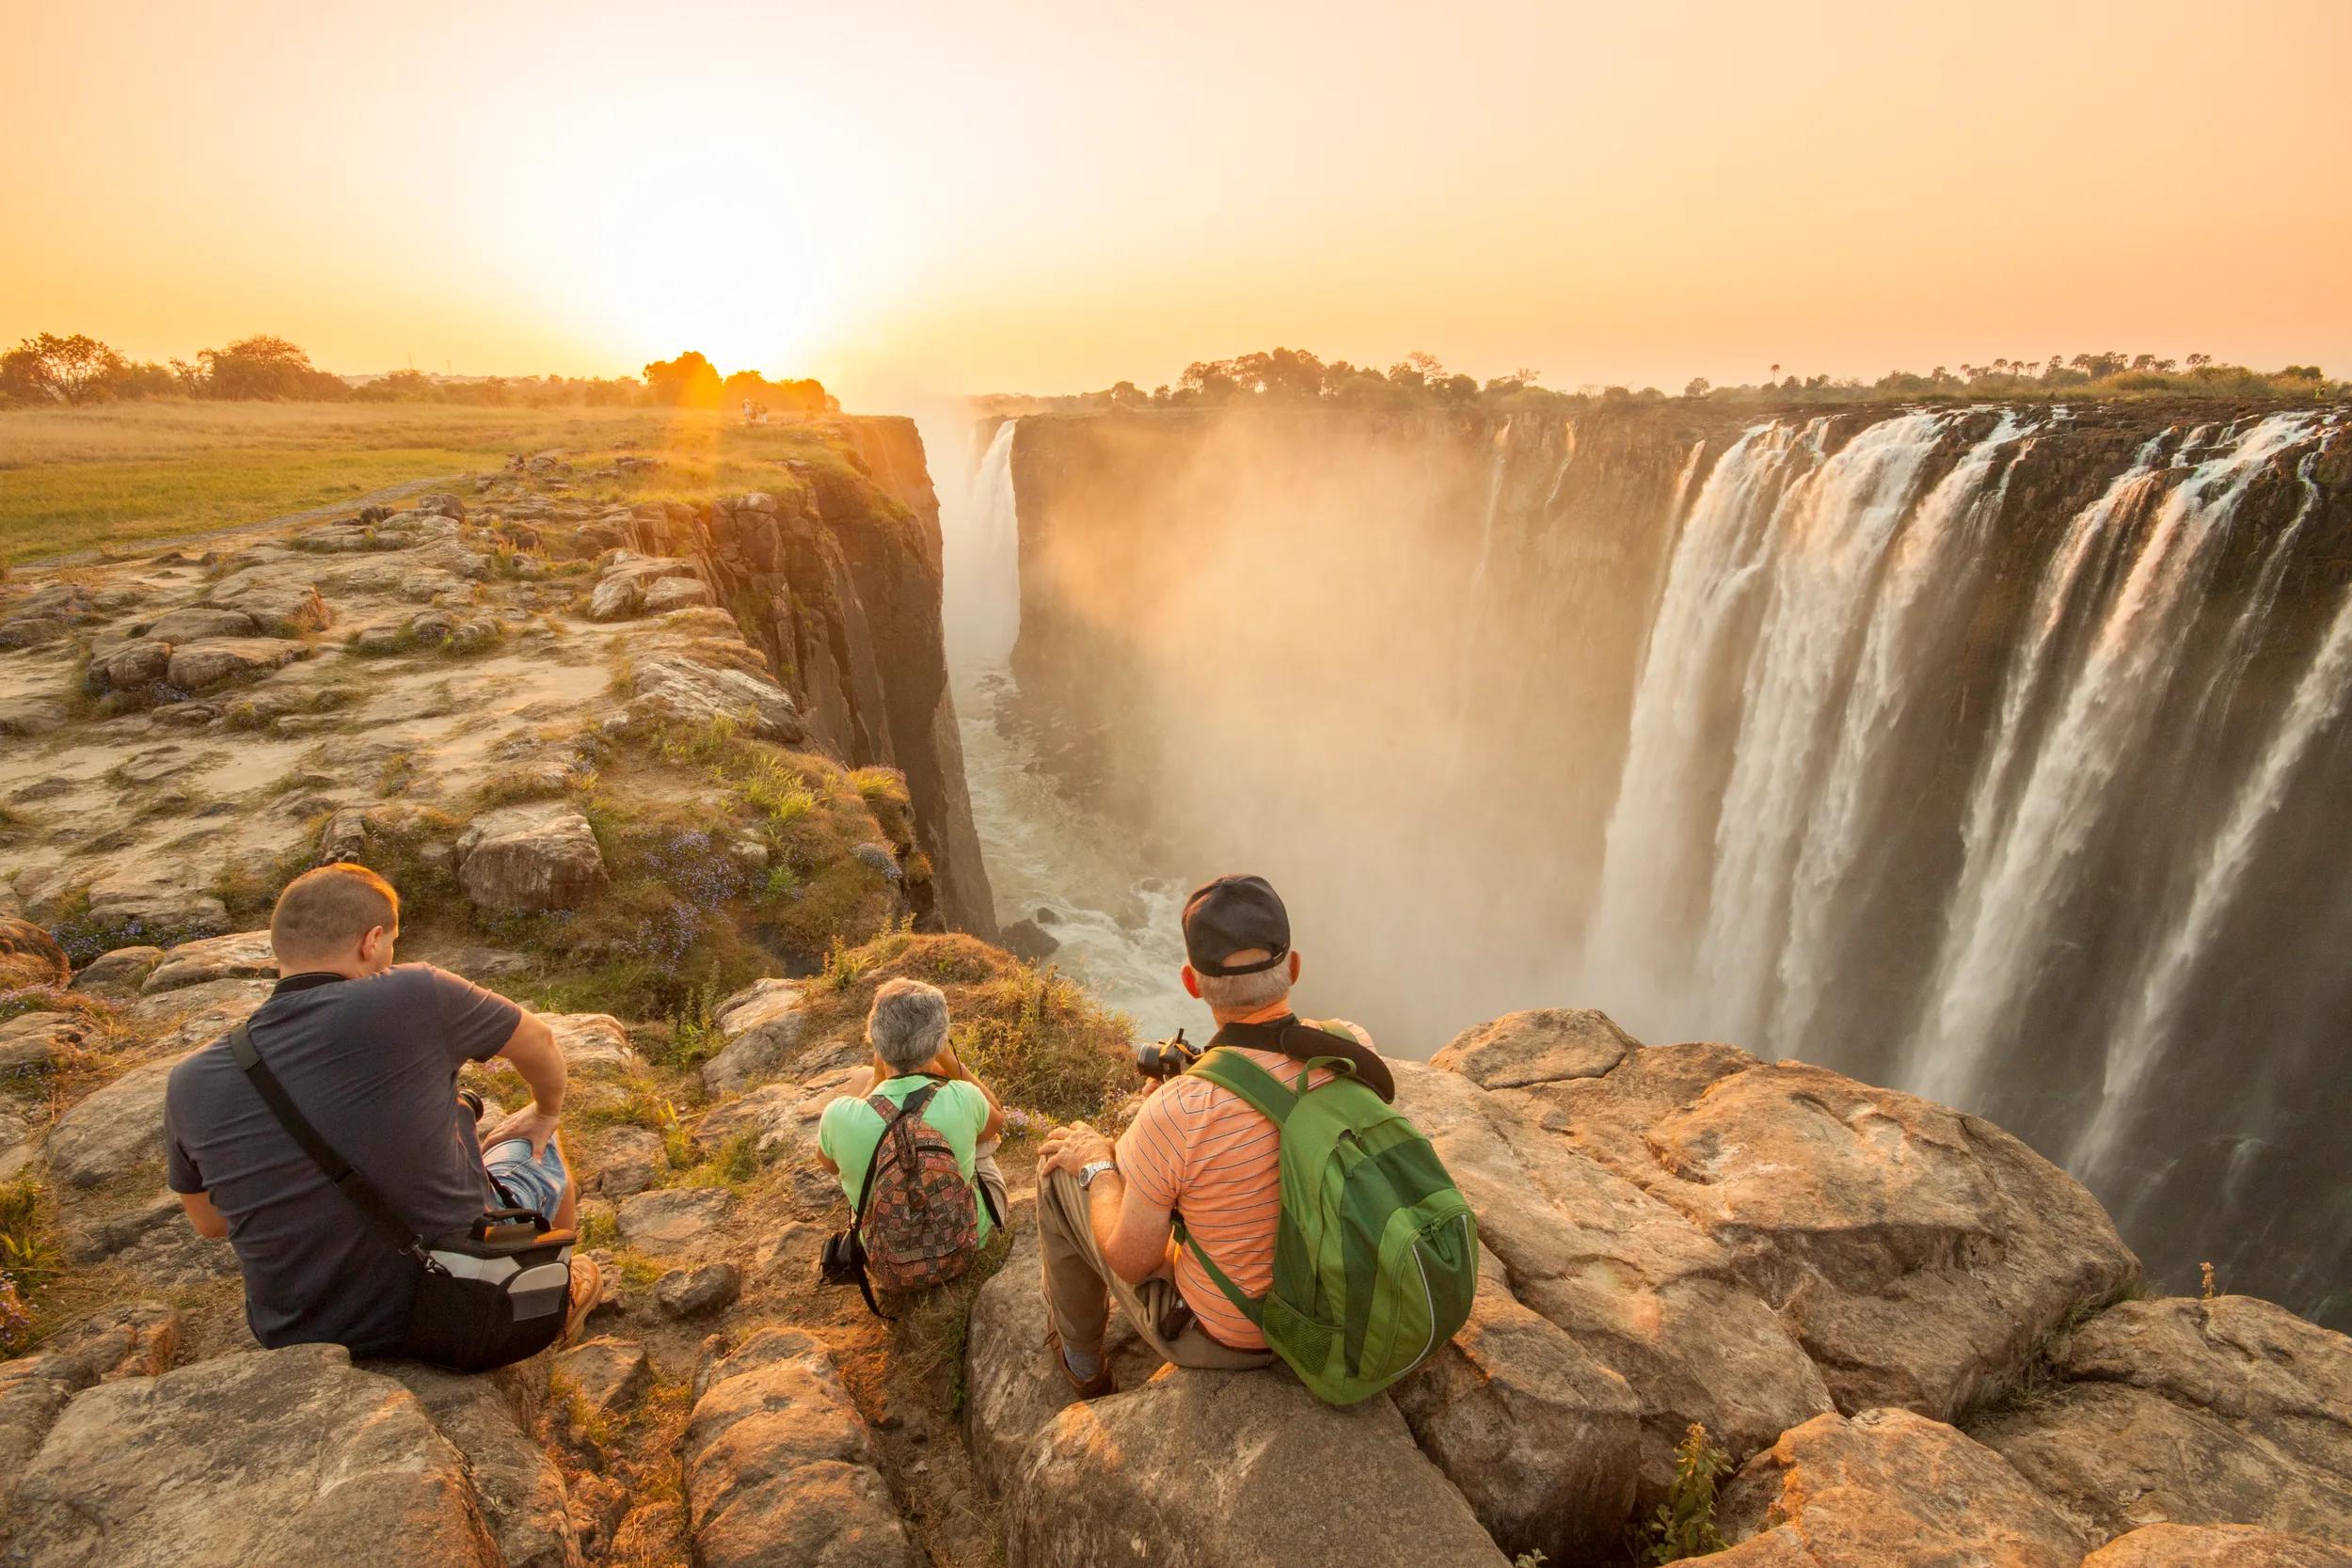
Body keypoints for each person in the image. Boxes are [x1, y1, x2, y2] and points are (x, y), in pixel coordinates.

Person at [165, 863, 600, 1359]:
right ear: (371, 941)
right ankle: (554, 1296)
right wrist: (545, 1111)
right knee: (530, 1144)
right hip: (463, 1304)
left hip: (300, 1332)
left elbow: (211, 1223)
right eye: (392, 942)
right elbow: (538, 1041)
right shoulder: (415, 991)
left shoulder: (190, 1079)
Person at [1034, 873, 1378, 1396]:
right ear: (1295, 967)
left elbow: (1131, 1259)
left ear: (1191, 983)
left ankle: (1082, 1363)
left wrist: (1098, 1163)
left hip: (1237, 1334)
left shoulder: (1181, 1110)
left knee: (1060, 1176)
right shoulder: (1349, 1045)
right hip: (1341, 1298)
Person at [817, 977, 1008, 1241]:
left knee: (860, 1080)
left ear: (876, 1040)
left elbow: (829, 1165)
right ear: (939, 1042)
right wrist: (952, 1063)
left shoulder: (837, 1115)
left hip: (883, 1259)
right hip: (963, 1241)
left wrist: (875, 1081)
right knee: (982, 1142)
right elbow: (997, 1119)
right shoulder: (963, 1096)